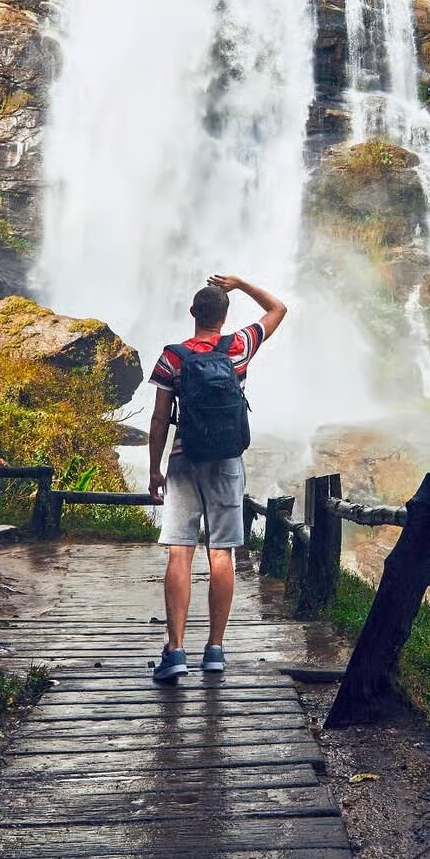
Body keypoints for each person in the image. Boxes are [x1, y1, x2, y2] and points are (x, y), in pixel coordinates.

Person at [147, 274, 287, 682]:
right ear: (224, 317)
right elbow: (279, 309)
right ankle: (215, 650)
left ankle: (175, 652)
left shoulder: (172, 357)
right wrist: (240, 284)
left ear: (193, 313)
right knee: (221, 552)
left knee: (179, 553)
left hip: (184, 458)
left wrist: (155, 469)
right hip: (227, 460)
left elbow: (159, 419)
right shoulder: (239, 347)